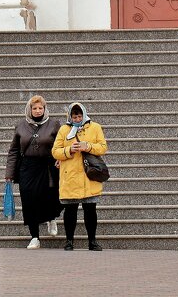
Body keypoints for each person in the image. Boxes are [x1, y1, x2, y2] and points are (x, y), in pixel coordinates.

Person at [4, 95, 62, 249]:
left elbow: (62, 144)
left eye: (40, 108)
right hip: (27, 167)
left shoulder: (54, 124)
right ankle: (34, 236)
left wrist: (61, 159)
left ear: (45, 108)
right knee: (29, 199)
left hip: (48, 164)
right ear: (30, 109)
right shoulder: (21, 125)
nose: (37, 111)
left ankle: (51, 218)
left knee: (49, 195)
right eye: (34, 108)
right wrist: (9, 173)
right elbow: (14, 150)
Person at [51, 102, 108, 251]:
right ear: (70, 116)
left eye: (79, 115)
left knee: (90, 210)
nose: (77, 118)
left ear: (84, 114)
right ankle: (69, 241)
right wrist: (69, 149)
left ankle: (92, 241)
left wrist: (87, 146)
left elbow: (103, 147)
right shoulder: (64, 129)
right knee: (70, 210)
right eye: (74, 116)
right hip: (70, 176)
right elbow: (55, 151)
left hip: (89, 176)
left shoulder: (95, 127)